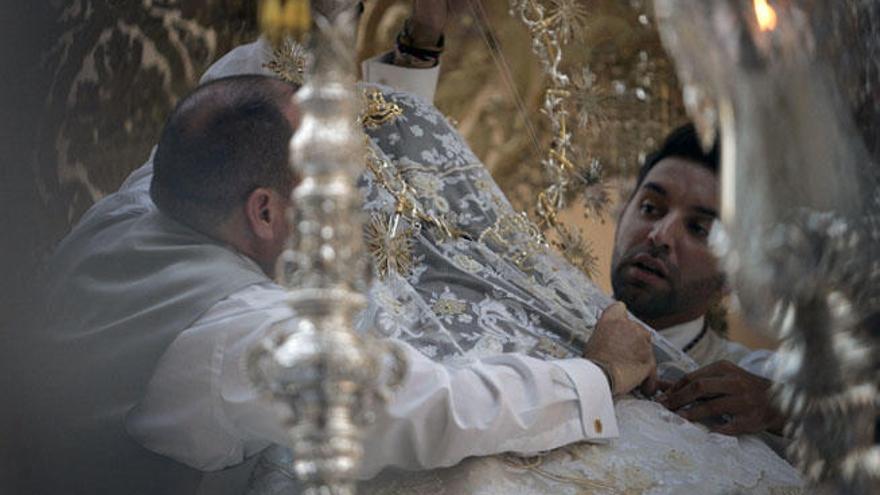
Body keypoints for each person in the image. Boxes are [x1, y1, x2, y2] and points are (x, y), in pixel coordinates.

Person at [23, 7, 655, 495]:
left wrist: (419, 38)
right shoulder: (237, 341)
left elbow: (250, 82)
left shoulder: (163, 187)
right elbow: (432, 411)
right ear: (265, 210)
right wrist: (594, 378)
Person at [609, 124, 787, 436]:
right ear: (623, 214)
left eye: (698, 228)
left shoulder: (756, 384)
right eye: (650, 208)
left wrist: (781, 410)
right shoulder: (539, 317)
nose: (660, 235)